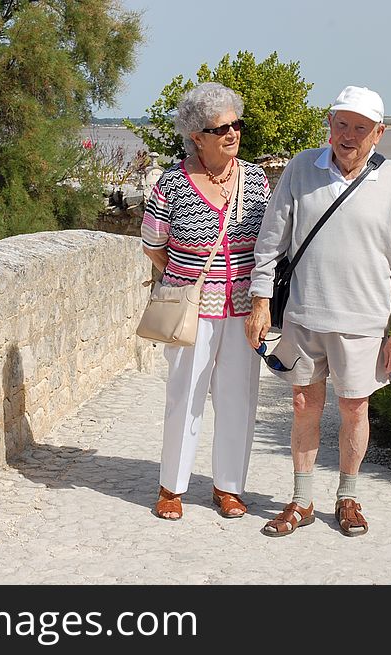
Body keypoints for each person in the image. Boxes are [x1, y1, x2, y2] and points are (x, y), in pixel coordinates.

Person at [245, 85, 391, 537]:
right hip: (304, 317)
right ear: (329, 123)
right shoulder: (301, 168)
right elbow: (271, 240)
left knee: (354, 407)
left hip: (363, 322)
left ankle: (347, 496)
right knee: (304, 404)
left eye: (360, 128)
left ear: (378, 133)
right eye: (341, 123)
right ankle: (302, 500)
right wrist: (260, 302)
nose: (348, 135)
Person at [141, 82, 271, 520]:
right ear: (196, 136)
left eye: (237, 124)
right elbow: (153, 244)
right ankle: (172, 488)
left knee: (239, 398)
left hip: (243, 308)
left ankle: (228, 488)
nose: (233, 133)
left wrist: (261, 303)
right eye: (221, 128)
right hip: (192, 308)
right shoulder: (173, 183)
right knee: (185, 395)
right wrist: (186, 280)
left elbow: (269, 244)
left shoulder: (256, 179)